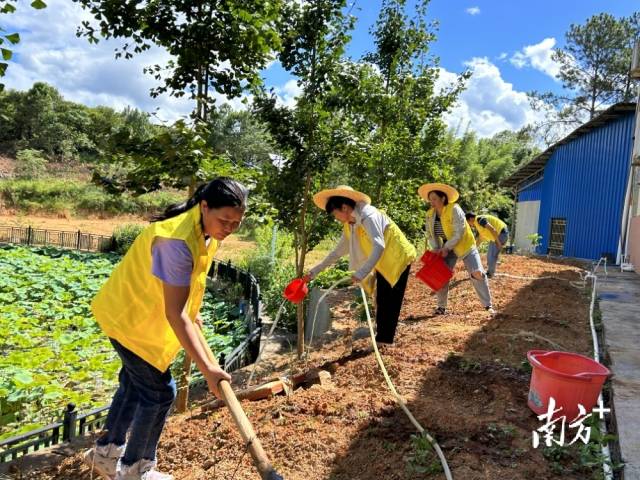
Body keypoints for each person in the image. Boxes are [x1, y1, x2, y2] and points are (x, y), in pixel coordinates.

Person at [83, 178, 247, 480]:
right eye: (224, 220)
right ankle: (135, 469)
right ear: (204, 206)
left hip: (133, 315)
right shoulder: (176, 241)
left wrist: (192, 312)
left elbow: (183, 287)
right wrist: (209, 371)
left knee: (134, 385)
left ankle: (105, 454)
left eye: (236, 223)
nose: (229, 228)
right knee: (159, 394)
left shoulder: (204, 231)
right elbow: (175, 313)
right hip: (132, 320)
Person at [303, 185, 416, 345]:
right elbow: (337, 252)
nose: (336, 218)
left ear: (344, 207)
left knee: (389, 300)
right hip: (382, 262)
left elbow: (379, 245)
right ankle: (383, 336)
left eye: (335, 214)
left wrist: (362, 272)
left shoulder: (369, 216)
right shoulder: (350, 224)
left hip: (398, 257)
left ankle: (384, 341)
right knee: (381, 299)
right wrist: (315, 271)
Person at [418, 183, 495, 315]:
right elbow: (430, 234)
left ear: (443, 198)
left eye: (434, 199)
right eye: (430, 199)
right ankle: (441, 307)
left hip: (465, 244)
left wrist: (446, 247)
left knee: (477, 273)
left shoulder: (454, 209)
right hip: (446, 247)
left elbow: (459, 232)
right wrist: (437, 249)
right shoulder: (430, 214)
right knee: (440, 275)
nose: (432, 202)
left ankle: (488, 305)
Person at [465, 212, 509, 278]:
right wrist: (473, 249)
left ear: (471, 219)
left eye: (468, 223)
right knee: (490, 255)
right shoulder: (478, 224)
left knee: (491, 255)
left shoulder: (480, 220)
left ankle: (490, 274)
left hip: (501, 233)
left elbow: (493, 229)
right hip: (498, 235)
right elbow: (480, 239)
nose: (469, 225)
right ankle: (490, 272)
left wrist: (498, 243)